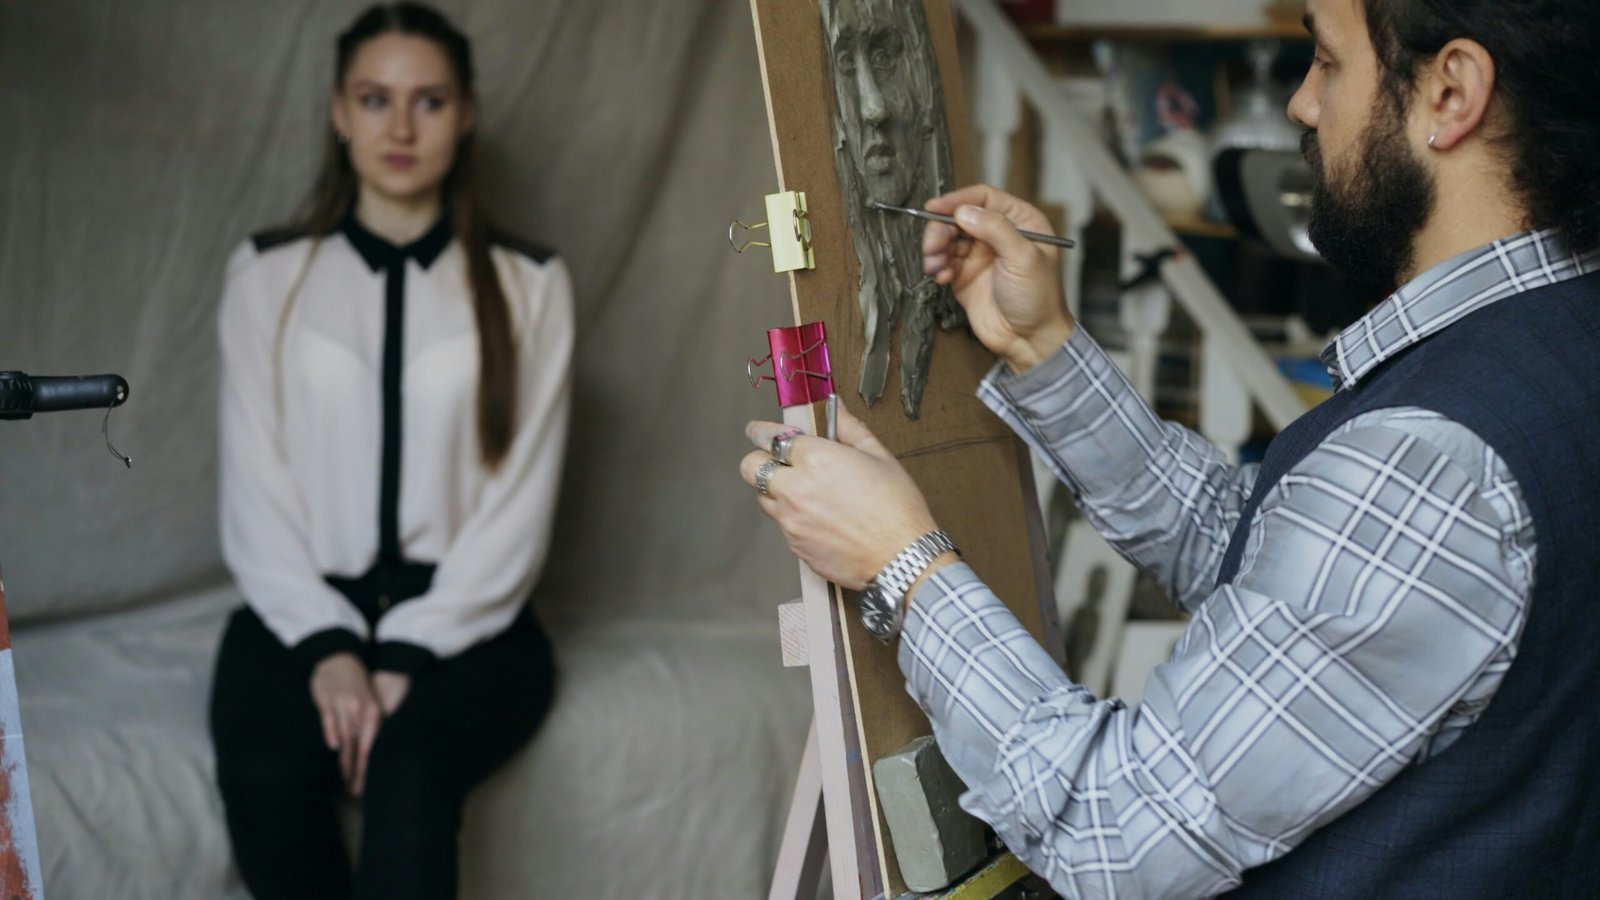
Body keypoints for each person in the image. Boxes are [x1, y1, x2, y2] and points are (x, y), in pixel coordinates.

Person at [741, 0, 1600, 895]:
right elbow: (1272, 567)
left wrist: (901, 565)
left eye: (1328, 60)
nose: (1305, 103)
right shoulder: (1558, 346)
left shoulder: (1430, 466)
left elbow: (1114, 832)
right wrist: (1048, 352)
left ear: (1451, 91)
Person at [209, 4, 572, 899]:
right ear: (339, 112)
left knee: (411, 773)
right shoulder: (265, 275)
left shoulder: (531, 285)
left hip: (472, 622)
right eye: (375, 100)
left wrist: (406, 653)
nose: (401, 127)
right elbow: (254, 489)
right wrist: (331, 648)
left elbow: (518, 509)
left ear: (468, 113)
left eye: (430, 101)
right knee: (264, 767)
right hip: (297, 609)